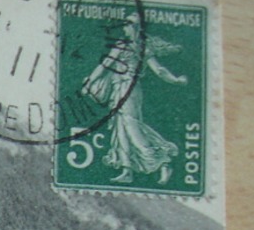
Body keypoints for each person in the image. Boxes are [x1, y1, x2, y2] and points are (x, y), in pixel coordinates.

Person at [81, 10, 190, 185]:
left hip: (129, 89)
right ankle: (126, 170)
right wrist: (90, 81)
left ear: (137, 28)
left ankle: (163, 162)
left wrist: (175, 80)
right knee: (121, 127)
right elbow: (105, 65)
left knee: (132, 127)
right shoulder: (124, 45)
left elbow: (158, 69)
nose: (125, 26)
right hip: (119, 89)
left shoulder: (139, 47)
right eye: (125, 23)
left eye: (129, 23)